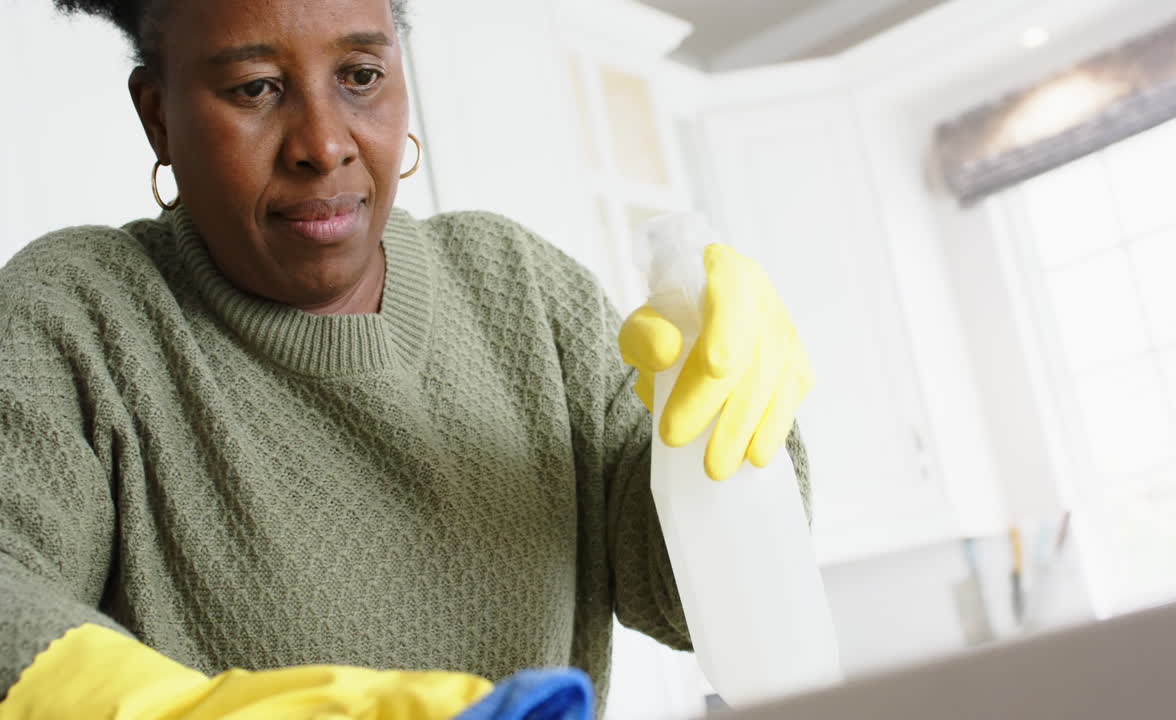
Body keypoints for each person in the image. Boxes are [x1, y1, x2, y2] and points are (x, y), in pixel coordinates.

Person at [0, 0, 814, 716]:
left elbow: (685, 603)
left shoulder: (521, 289)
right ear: (159, 118)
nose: (323, 144)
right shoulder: (77, 316)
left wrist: (737, 447)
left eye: (359, 75)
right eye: (255, 88)